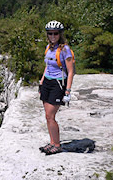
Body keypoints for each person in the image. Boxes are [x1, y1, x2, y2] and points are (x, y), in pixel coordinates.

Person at [38, 20, 74, 155]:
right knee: (47, 116)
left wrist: (68, 91)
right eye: (50, 33)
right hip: (47, 83)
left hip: (58, 84)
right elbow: (47, 65)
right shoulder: (48, 48)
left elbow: (71, 71)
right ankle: (52, 142)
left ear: (60, 34)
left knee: (50, 115)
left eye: (55, 33)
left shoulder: (65, 50)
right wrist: (42, 81)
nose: (53, 36)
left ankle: (57, 145)